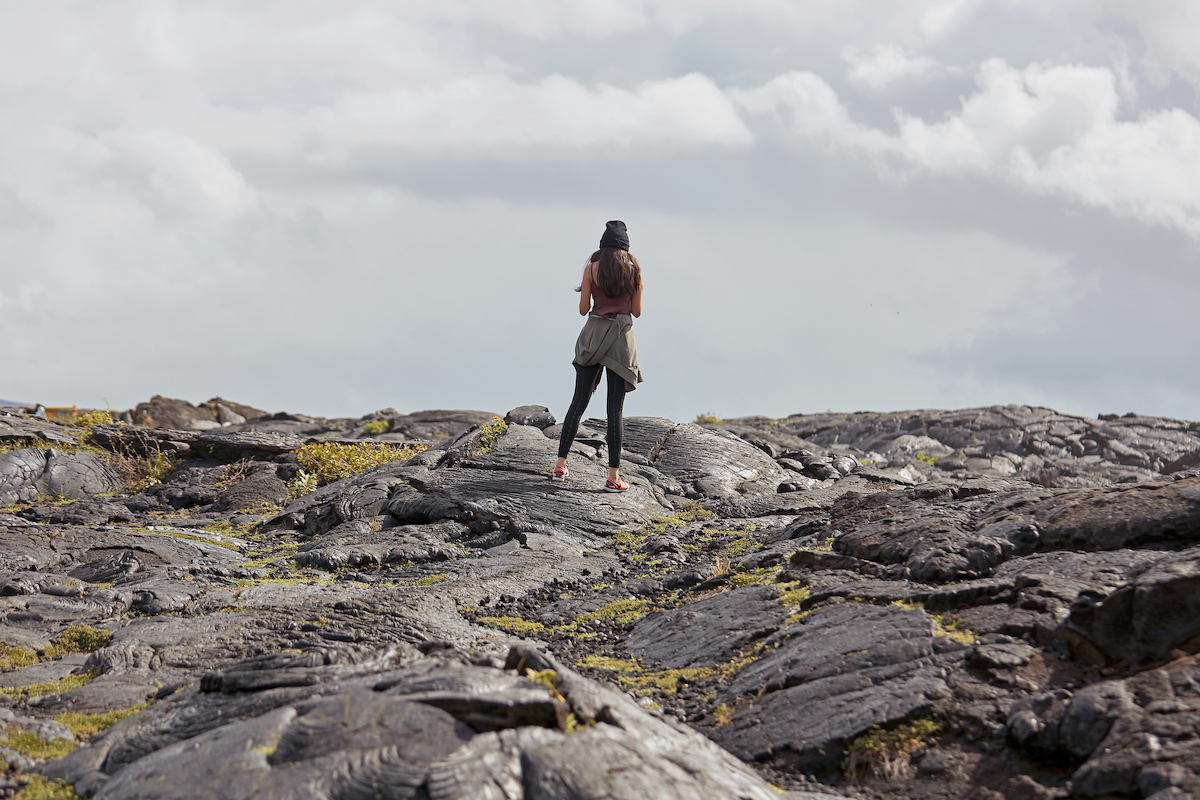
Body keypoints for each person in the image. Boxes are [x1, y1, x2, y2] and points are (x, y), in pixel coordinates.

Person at [552, 220, 644, 491]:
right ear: (626, 247)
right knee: (614, 409)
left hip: (593, 338)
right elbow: (636, 312)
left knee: (578, 402)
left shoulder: (592, 268)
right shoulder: (635, 270)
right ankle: (613, 477)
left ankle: (560, 466)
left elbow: (583, 309)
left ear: (602, 245)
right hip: (620, 342)